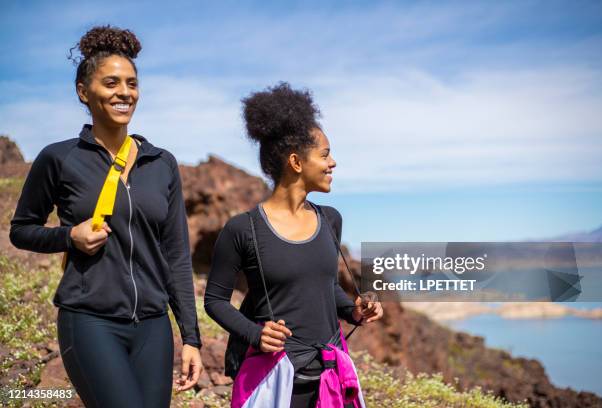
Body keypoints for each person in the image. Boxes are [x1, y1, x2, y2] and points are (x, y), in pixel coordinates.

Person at [9, 25, 202, 408]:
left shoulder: (161, 163)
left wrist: (191, 338)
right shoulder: (60, 158)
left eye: (131, 83)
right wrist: (69, 237)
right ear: (84, 91)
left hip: (152, 325)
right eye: (111, 83)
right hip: (89, 320)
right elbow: (21, 230)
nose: (124, 93)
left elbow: (177, 254)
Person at [204, 82, 383, 407]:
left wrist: (353, 311)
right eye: (325, 154)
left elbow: (325, 287)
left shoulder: (330, 219)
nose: (333, 164)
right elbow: (214, 301)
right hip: (273, 380)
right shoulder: (243, 229)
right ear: (296, 162)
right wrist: (255, 334)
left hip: (330, 375)